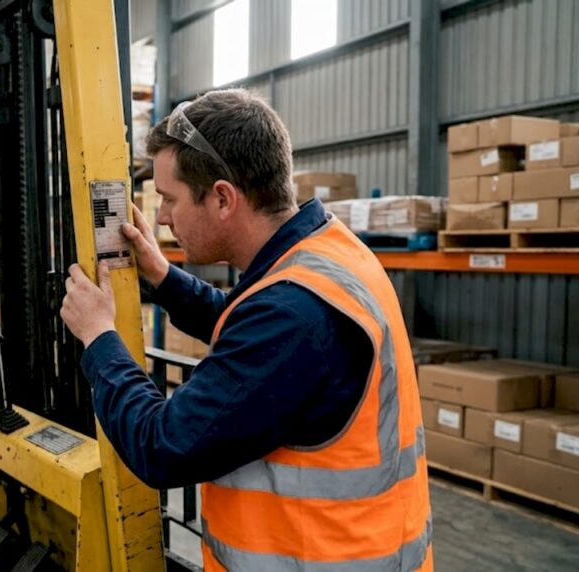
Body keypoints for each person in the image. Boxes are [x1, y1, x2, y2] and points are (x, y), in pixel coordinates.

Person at [59, 89, 432, 570]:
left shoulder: (293, 314)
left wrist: (99, 339)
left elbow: (162, 446)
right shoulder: (325, 257)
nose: (162, 217)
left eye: (169, 200)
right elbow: (250, 332)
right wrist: (164, 278)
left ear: (221, 199)